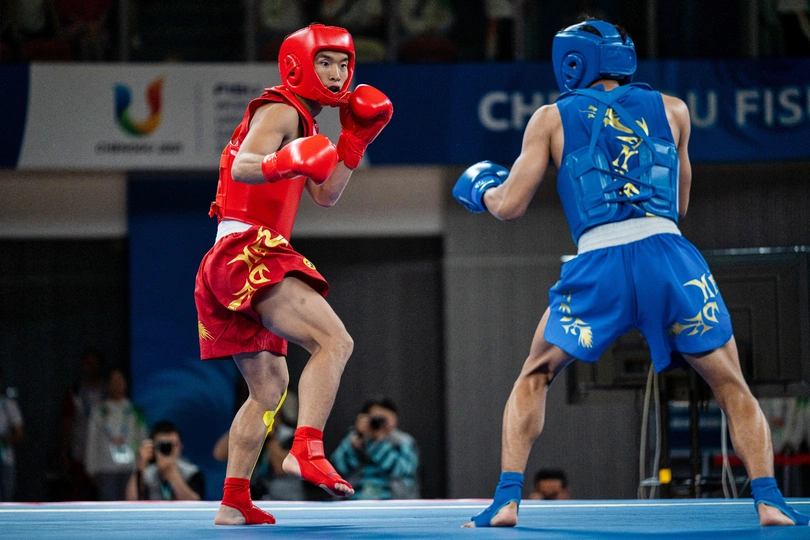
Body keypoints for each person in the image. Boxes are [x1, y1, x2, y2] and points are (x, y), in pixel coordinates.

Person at [453, 19, 809, 528]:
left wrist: (481, 190)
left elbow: (510, 206)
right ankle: (769, 499)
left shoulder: (551, 118)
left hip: (600, 261)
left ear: (570, 62)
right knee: (732, 384)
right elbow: (679, 205)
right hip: (670, 255)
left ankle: (507, 499)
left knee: (535, 375)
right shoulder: (674, 110)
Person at [194, 23, 393, 525]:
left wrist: (353, 140)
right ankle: (306, 446)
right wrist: (285, 157)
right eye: (325, 62)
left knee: (267, 390)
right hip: (248, 249)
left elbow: (326, 195)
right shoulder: (280, 108)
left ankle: (234, 501)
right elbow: (243, 166)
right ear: (297, 65)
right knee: (334, 342)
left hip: (227, 260)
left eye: (344, 64)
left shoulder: (309, 124)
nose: (336, 73)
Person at [331, 396, 420, 500]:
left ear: (394, 418)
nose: (378, 423)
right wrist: (355, 446)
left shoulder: (404, 442)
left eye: (383, 419)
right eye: (375, 418)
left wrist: (379, 442)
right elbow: (337, 469)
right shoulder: (355, 439)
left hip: (393, 500)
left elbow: (403, 470)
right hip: (355, 499)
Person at [84, 368, 147, 501]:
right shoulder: (99, 411)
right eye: (113, 380)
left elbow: (142, 439)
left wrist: (143, 466)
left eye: (120, 380)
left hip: (130, 467)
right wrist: (91, 468)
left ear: (126, 383)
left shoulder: (135, 411)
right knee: (108, 507)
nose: (117, 383)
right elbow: (92, 440)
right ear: (107, 384)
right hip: (106, 468)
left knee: (130, 506)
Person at [126, 420, 205, 501]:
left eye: (173, 445)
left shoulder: (192, 473)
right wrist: (139, 467)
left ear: (180, 446)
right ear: (153, 447)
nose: (168, 450)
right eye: (163, 446)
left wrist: (171, 472)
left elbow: (195, 504)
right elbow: (132, 501)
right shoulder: (146, 473)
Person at [0, 366, 24, 501]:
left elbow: (20, 435)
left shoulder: (8, 404)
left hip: (6, 457)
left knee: (6, 498)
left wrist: (4, 438)